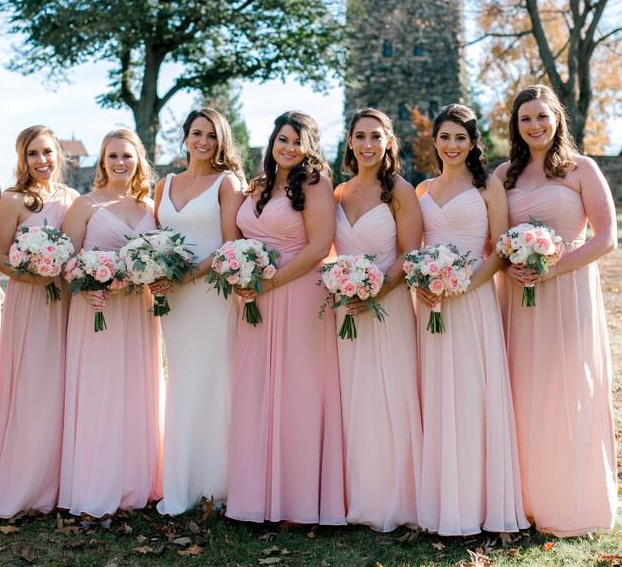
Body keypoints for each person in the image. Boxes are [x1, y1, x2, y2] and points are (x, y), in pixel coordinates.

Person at [496, 84, 618, 537]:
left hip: (568, 290)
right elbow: (493, 237)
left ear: (557, 118)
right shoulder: (504, 174)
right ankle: (524, 499)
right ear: (516, 126)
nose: (535, 126)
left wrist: (553, 269)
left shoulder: (581, 169)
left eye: (542, 116)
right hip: (518, 296)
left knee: (567, 387)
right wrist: (508, 263)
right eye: (525, 118)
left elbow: (606, 237)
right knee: (523, 388)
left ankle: (570, 502)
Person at [225, 111, 345, 525]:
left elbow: (319, 247)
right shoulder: (258, 186)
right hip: (254, 297)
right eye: (283, 139)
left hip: (297, 292)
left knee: (298, 393)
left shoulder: (315, 185)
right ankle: (254, 496)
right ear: (272, 141)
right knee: (255, 390)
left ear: (309, 147)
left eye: (298, 141)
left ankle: (297, 501)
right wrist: (241, 274)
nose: (289, 148)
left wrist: (269, 282)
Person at [415, 104, 528, 536]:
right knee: (437, 393)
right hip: (431, 302)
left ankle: (481, 502)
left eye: (460, 138)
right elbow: (416, 248)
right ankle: (443, 502)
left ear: (472, 142)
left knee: (472, 392)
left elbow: (500, 249)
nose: (452, 145)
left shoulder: (488, 187)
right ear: (435, 141)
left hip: (473, 298)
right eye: (445, 137)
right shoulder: (422, 189)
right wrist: (424, 284)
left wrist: (461, 285)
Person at [58, 129, 163, 517]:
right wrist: (87, 287)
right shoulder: (85, 204)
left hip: (137, 309)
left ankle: (135, 482)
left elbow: (159, 257)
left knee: (136, 389)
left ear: (139, 161)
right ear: (102, 161)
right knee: (99, 392)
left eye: (127, 156)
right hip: (97, 309)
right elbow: (66, 260)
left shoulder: (150, 208)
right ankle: (95, 484)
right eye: (113, 155)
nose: (120, 162)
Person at [333, 108, 423, 531]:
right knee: (355, 397)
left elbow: (410, 252)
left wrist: (376, 290)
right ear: (350, 142)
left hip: (388, 307)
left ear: (388, 141)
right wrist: (346, 287)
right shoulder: (339, 192)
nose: (367, 144)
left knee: (391, 394)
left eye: (375, 136)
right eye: (360, 136)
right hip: (346, 310)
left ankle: (397, 498)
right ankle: (359, 495)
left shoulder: (400, 191)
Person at [0, 126, 78, 518]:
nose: (42, 160)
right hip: (29, 300)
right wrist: (32, 273)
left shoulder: (72, 199)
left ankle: (60, 482)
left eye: (47, 152)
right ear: (22, 159)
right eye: (33, 153)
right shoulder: (13, 199)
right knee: (32, 386)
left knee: (62, 387)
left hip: (65, 300)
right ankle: (23, 484)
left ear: (59, 155)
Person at [152, 108, 245, 515]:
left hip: (211, 293)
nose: (203, 141)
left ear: (221, 141)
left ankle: (217, 483)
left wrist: (188, 275)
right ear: (185, 137)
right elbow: (156, 238)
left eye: (211, 135)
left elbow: (230, 244)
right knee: (182, 380)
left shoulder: (227, 183)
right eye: (196, 133)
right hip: (173, 300)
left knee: (214, 378)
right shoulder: (164, 184)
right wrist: (155, 271)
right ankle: (180, 482)